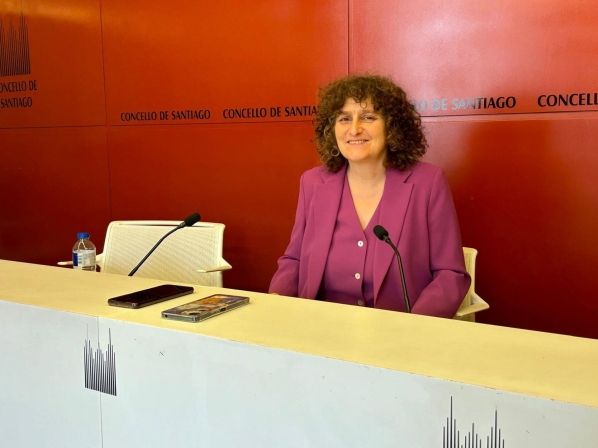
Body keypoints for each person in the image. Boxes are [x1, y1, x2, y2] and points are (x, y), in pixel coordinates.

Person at [269, 74, 470, 318]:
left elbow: (450, 274)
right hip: (319, 325)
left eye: (368, 117)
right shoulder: (312, 182)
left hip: (398, 330)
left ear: (392, 126)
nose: (354, 129)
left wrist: (415, 327)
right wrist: (276, 301)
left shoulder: (427, 182)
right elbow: (294, 259)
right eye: (344, 119)